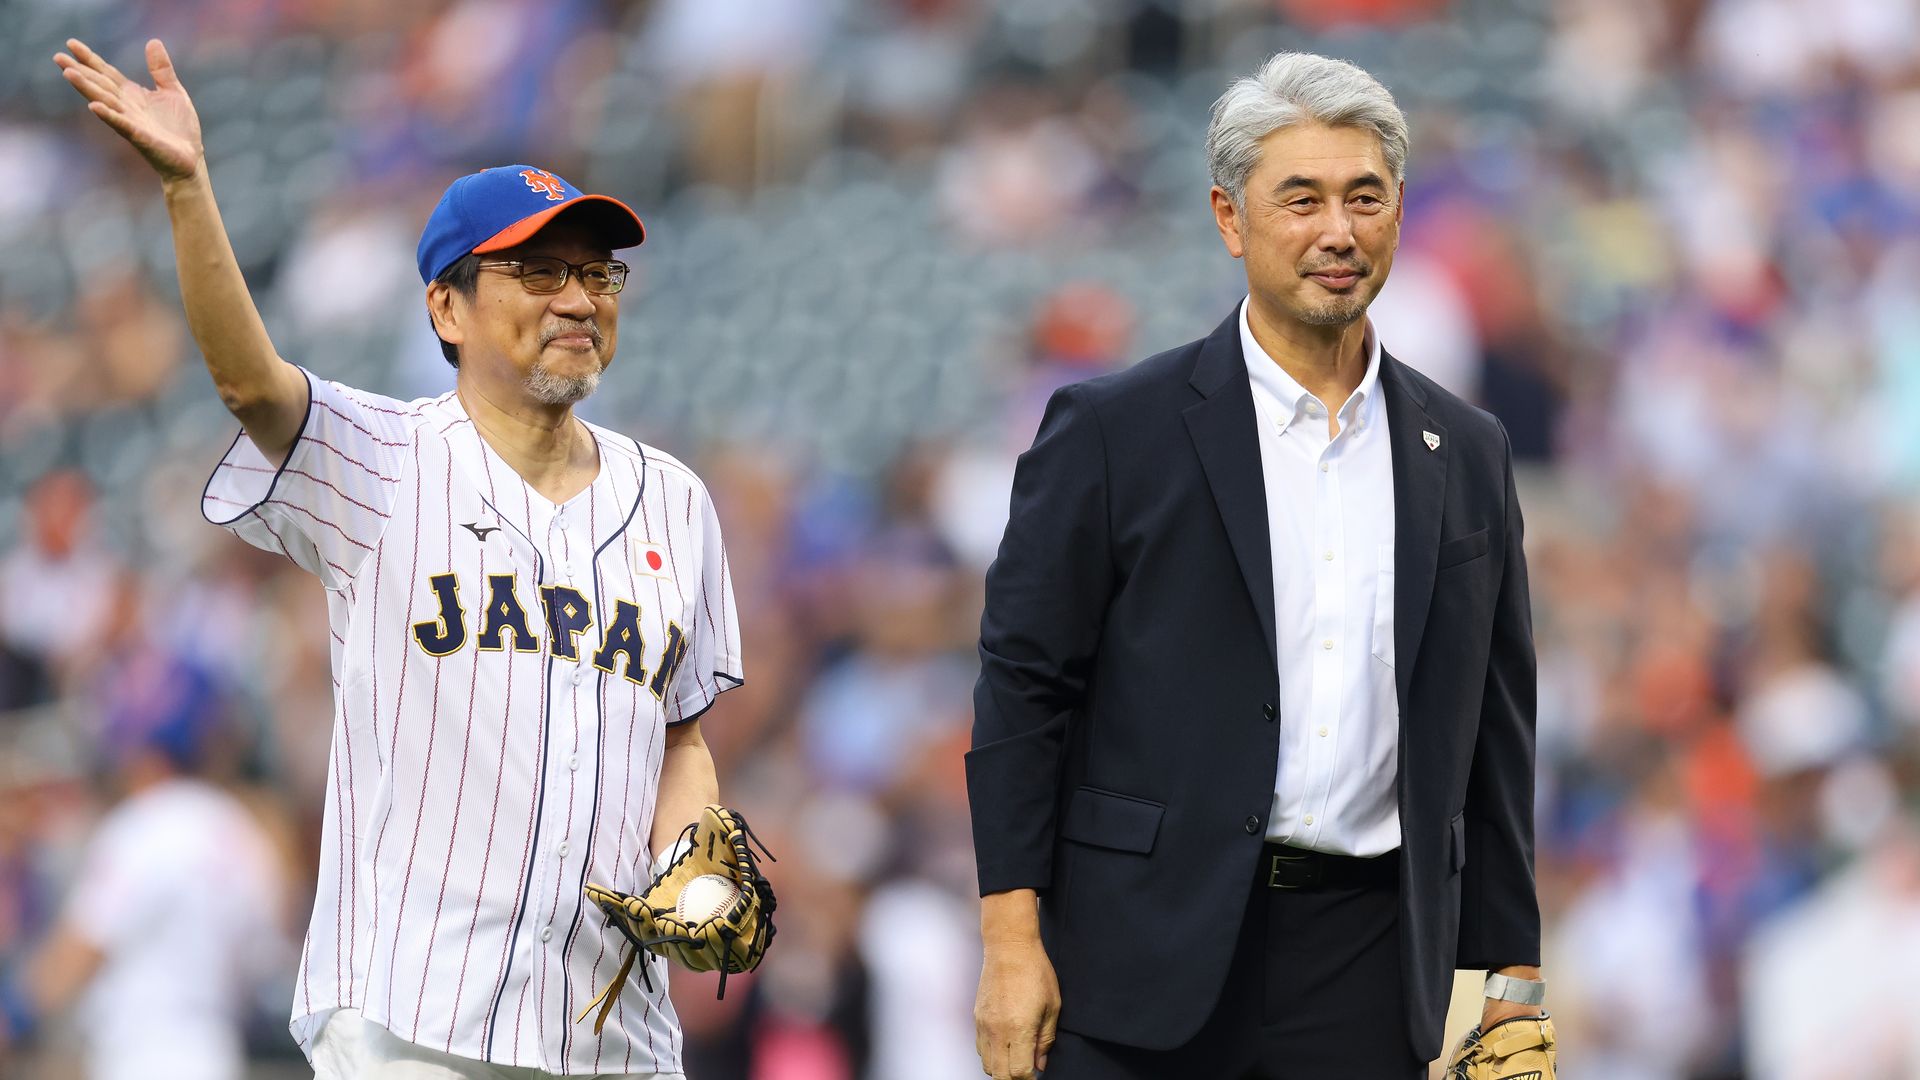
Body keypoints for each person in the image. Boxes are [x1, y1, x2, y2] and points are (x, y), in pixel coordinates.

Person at [55, 36, 743, 1079]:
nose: (578, 298)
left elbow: (681, 734)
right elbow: (252, 388)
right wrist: (189, 190)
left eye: (596, 272)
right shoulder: (381, 459)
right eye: (538, 270)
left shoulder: (677, 502)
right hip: (413, 1024)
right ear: (446, 307)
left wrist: (697, 861)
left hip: (619, 1037)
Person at [968, 52, 1546, 1078]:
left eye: (1365, 197)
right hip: (1138, 961)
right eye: (1303, 199)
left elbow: (1494, 729)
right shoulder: (1111, 431)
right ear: (1231, 219)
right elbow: (1025, 692)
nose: (1339, 230)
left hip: (1370, 972)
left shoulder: (1467, 450)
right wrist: (1011, 944)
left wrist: (1512, 982)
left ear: (1400, 212)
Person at [7, 655, 285, 1080]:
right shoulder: (243, 833)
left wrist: (14, 1013)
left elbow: (81, 948)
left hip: (143, 1054)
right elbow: (266, 963)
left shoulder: (142, 826)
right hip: (218, 1051)